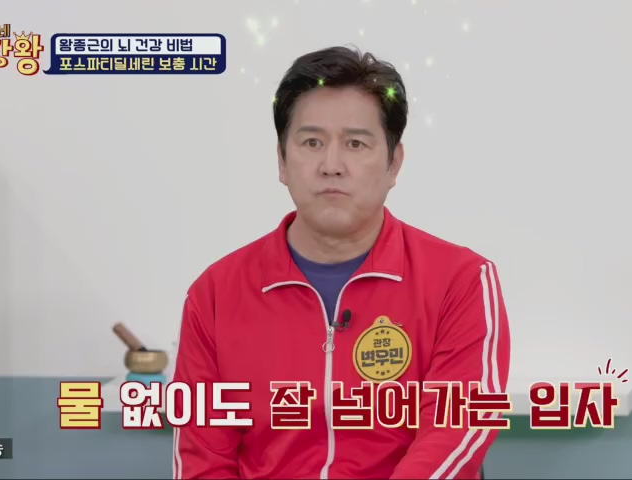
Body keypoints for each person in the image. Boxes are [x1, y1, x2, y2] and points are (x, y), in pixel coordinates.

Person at [171, 45, 511, 479]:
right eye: (312, 142)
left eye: (355, 143)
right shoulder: (215, 294)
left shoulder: (460, 280)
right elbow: (203, 459)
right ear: (282, 160)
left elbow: (456, 428)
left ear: (393, 164)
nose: (331, 165)